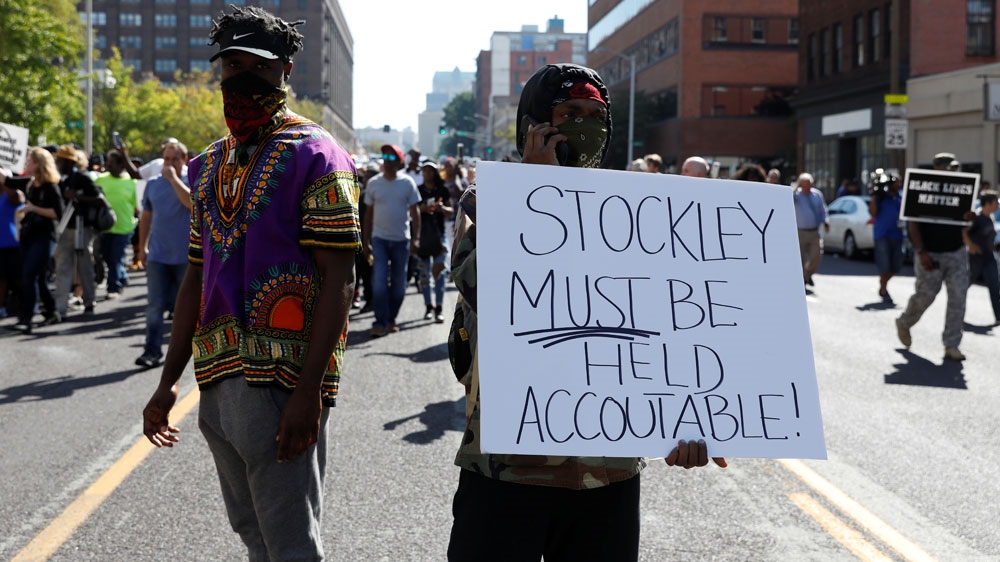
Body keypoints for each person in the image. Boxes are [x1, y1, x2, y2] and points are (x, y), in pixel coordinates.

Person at [446, 63, 726, 562]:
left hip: (608, 471)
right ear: (533, 125)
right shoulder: (491, 202)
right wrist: (532, 195)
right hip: (506, 467)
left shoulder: (638, 216)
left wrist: (691, 418)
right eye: (569, 113)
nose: (585, 125)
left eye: (596, 115)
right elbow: (481, 288)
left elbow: (673, 326)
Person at [141, 7, 361, 561]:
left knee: (291, 544)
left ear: (285, 70)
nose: (239, 79)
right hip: (217, 380)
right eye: (231, 65)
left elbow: (340, 278)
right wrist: (169, 381)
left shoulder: (319, 155)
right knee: (252, 535)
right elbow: (196, 274)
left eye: (255, 68)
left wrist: (310, 391)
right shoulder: (207, 163)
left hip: (284, 381)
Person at [895, 152, 970, 361]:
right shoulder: (922, 187)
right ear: (938, 167)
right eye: (948, 167)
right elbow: (913, 223)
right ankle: (905, 322)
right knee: (925, 296)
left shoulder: (962, 190)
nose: (952, 171)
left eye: (954, 167)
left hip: (955, 252)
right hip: (930, 252)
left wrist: (969, 218)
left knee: (958, 298)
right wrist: (921, 252)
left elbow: (964, 222)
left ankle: (951, 344)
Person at [135, 141, 192, 368]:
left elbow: (191, 203)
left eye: (174, 159)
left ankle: (185, 353)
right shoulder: (153, 184)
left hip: (186, 258)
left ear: (184, 160)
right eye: (166, 159)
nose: (169, 164)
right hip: (158, 255)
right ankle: (152, 351)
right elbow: (146, 217)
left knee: (186, 309)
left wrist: (174, 179)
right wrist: (142, 247)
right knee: (154, 306)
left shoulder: (190, 181)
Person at [0, 148, 64, 333]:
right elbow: (7, 180)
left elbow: (57, 213)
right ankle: (52, 311)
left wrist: (32, 208)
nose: (26, 164)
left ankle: (26, 318)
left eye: (29, 161)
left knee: (28, 275)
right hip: (29, 236)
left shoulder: (51, 186)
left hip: (45, 237)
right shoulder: (29, 183)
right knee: (39, 278)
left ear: (38, 164)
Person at [362, 144, 421, 337]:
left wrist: (416, 239)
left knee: (398, 284)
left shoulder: (407, 183)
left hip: (401, 241)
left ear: (399, 162)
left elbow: (416, 212)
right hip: (379, 240)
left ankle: (391, 319)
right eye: (384, 156)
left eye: (391, 157)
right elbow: (368, 215)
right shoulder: (374, 183)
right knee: (378, 282)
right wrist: (365, 241)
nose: (387, 160)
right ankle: (379, 321)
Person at [53, 144, 101, 319]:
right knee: (62, 267)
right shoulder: (58, 180)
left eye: (60, 160)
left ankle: (90, 302)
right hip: (64, 229)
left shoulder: (82, 179)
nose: (57, 162)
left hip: (82, 228)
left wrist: (77, 197)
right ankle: (61, 308)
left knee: (85, 267)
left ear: (68, 162)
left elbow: (99, 199)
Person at [95, 149, 139, 299]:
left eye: (112, 163)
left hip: (124, 227)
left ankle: (113, 288)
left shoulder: (131, 182)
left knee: (115, 258)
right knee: (108, 257)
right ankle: (122, 275)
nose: (108, 165)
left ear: (122, 165)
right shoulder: (100, 179)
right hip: (105, 227)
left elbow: (136, 205)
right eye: (107, 162)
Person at [415, 160, 453, 323]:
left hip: (439, 236)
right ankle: (428, 306)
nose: (427, 173)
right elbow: (412, 211)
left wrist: (441, 208)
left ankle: (439, 307)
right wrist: (422, 209)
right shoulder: (418, 190)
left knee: (440, 271)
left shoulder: (442, 190)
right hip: (422, 236)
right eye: (425, 170)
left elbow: (451, 210)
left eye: (430, 170)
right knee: (424, 273)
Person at [965, 189, 999, 324]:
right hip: (976, 258)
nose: (998, 205)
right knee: (965, 285)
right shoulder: (976, 217)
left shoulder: (990, 217)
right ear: (988, 203)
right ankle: (957, 311)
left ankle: (999, 316)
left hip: (989, 257)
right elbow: (964, 232)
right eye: (996, 202)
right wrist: (971, 246)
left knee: (995, 286)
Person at [869, 173, 905, 303]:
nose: (898, 184)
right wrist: (874, 195)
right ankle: (884, 289)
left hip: (898, 235)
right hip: (882, 234)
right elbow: (873, 213)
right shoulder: (881, 197)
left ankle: (882, 283)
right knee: (884, 264)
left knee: (897, 265)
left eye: (899, 182)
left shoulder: (901, 198)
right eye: (895, 182)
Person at [792, 172, 829, 287]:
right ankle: (802, 277)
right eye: (803, 184)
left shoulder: (817, 195)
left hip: (814, 231)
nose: (806, 187)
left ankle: (807, 274)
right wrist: (796, 187)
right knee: (800, 258)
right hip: (800, 232)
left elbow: (823, 209)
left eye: (808, 184)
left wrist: (826, 221)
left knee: (816, 256)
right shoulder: (797, 195)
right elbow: (787, 198)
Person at [0, 164, 24, 319]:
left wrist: (5, 180)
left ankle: (25, 305)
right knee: (0, 278)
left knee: (18, 278)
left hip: (13, 243)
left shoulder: (13, 195)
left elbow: (17, 197)